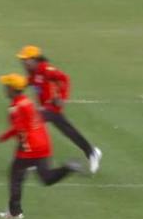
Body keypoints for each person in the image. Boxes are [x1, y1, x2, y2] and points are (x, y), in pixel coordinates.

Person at [0, 73, 80, 219]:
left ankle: (15, 212)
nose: (5, 88)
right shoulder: (27, 101)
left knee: (15, 176)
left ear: (12, 89)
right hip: (44, 144)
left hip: (29, 147)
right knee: (46, 177)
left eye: (7, 86)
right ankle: (67, 168)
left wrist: (10, 139)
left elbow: (19, 129)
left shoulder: (15, 107)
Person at [16, 45, 102, 173]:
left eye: (25, 59)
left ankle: (33, 160)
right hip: (47, 109)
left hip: (52, 106)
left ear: (34, 59)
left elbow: (64, 78)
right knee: (68, 131)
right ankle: (91, 151)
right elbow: (28, 82)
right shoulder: (33, 72)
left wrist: (62, 97)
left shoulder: (46, 69)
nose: (23, 62)